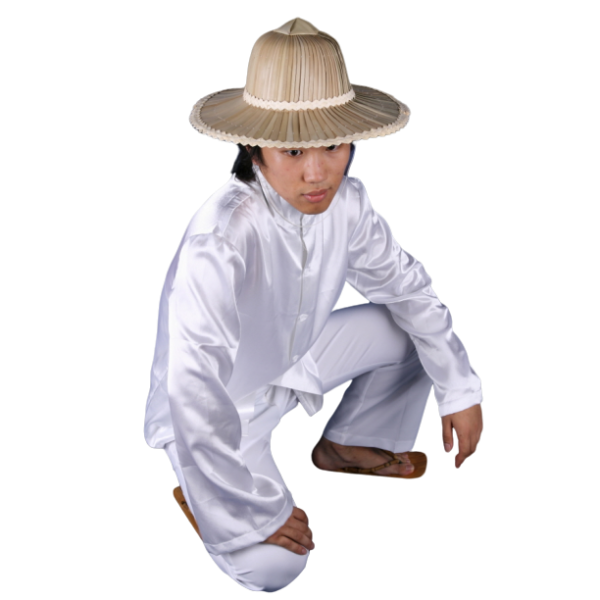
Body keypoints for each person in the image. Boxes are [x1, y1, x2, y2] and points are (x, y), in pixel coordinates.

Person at [144, 16, 483, 594]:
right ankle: (203, 498)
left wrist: (459, 386)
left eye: (333, 144)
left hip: (294, 362)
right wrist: (246, 514)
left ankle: (343, 443)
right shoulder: (221, 239)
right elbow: (193, 389)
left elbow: (407, 288)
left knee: (411, 331)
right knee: (275, 568)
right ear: (254, 147)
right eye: (294, 149)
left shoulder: (347, 202)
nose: (317, 172)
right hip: (221, 409)